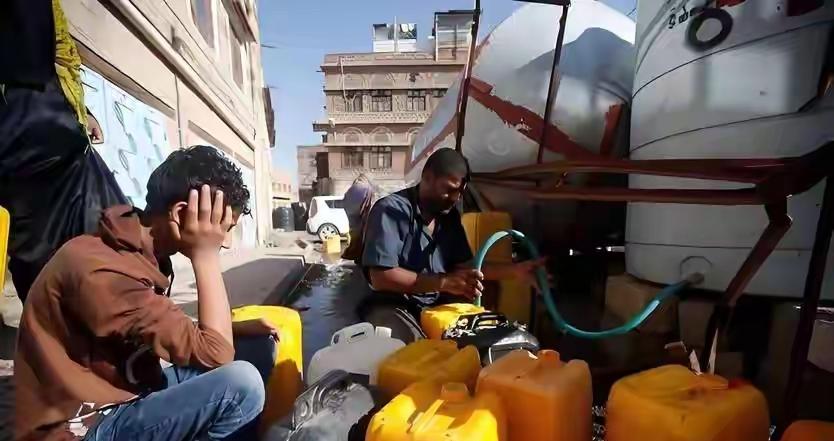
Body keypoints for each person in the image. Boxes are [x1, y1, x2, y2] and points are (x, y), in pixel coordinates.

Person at [15, 146, 277, 441]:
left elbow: (150, 325)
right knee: (241, 385)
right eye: (223, 229)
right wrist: (205, 255)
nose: (225, 243)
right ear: (181, 213)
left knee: (256, 346)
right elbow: (217, 355)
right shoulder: (101, 270)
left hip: (128, 391)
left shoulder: (144, 252)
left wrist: (236, 329)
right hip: (83, 426)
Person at [359, 148, 546, 342]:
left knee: (481, 333)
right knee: (411, 345)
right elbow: (381, 277)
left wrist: (515, 271)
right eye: (448, 189)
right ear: (427, 177)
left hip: (435, 304)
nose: (455, 198)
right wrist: (444, 283)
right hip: (393, 304)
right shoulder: (391, 210)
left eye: (459, 192)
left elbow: (467, 267)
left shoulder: (448, 217)